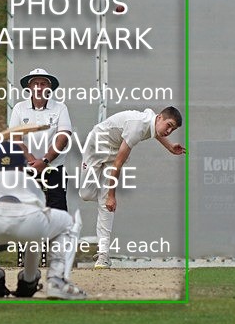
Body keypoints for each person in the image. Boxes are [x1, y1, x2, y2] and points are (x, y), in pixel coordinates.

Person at [0, 141, 87, 300]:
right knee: (67, 221)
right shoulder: (30, 182)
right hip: (30, 222)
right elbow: (40, 212)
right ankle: (56, 280)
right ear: (22, 166)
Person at [79, 106, 185, 269]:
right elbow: (118, 164)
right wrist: (111, 196)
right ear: (160, 118)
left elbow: (156, 131)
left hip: (115, 149)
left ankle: (103, 255)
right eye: (169, 125)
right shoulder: (136, 128)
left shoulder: (150, 119)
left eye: (173, 129)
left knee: (105, 205)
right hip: (97, 145)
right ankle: (104, 195)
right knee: (86, 194)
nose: (169, 131)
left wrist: (170, 146)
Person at [9, 68, 72, 211]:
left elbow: (63, 136)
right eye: (35, 83)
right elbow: (15, 138)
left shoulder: (60, 107)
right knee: (26, 210)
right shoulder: (19, 108)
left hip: (54, 167)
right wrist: (32, 161)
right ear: (29, 88)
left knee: (58, 212)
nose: (39, 87)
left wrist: (45, 161)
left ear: (49, 88)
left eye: (43, 83)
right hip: (26, 168)